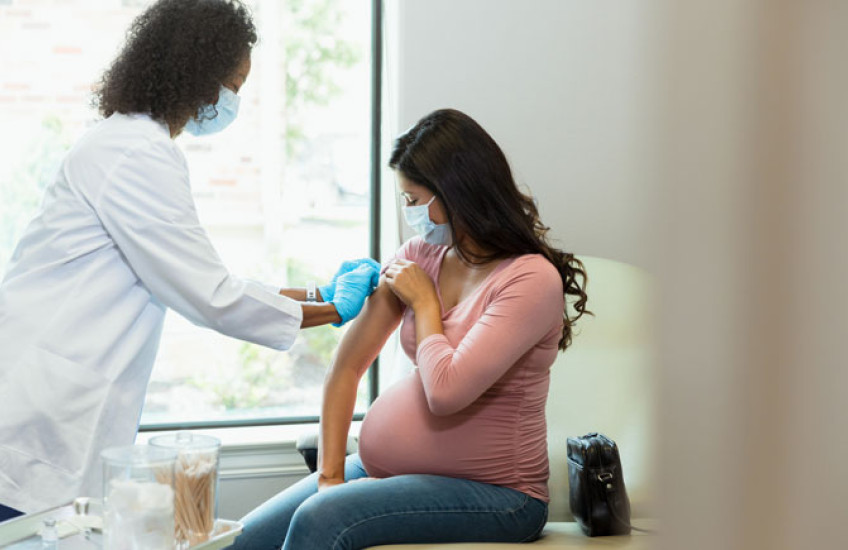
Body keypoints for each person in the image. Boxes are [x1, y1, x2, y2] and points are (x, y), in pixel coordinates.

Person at [0, 0, 379, 521]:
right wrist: (333, 310)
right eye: (234, 87)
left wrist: (317, 294)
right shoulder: (135, 153)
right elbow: (211, 295)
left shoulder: (127, 143)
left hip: (54, 409)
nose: (232, 102)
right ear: (197, 75)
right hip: (37, 420)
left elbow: (201, 280)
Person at [228, 108, 590, 549]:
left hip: (501, 497)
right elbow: (345, 369)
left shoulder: (530, 280)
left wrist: (423, 302)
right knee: (234, 542)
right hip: (384, 471)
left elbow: (446, 393)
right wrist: (330, 477)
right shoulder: (420, 254)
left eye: (414, 199)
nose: (408, 213)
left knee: (324, 520)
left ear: (456, 194)